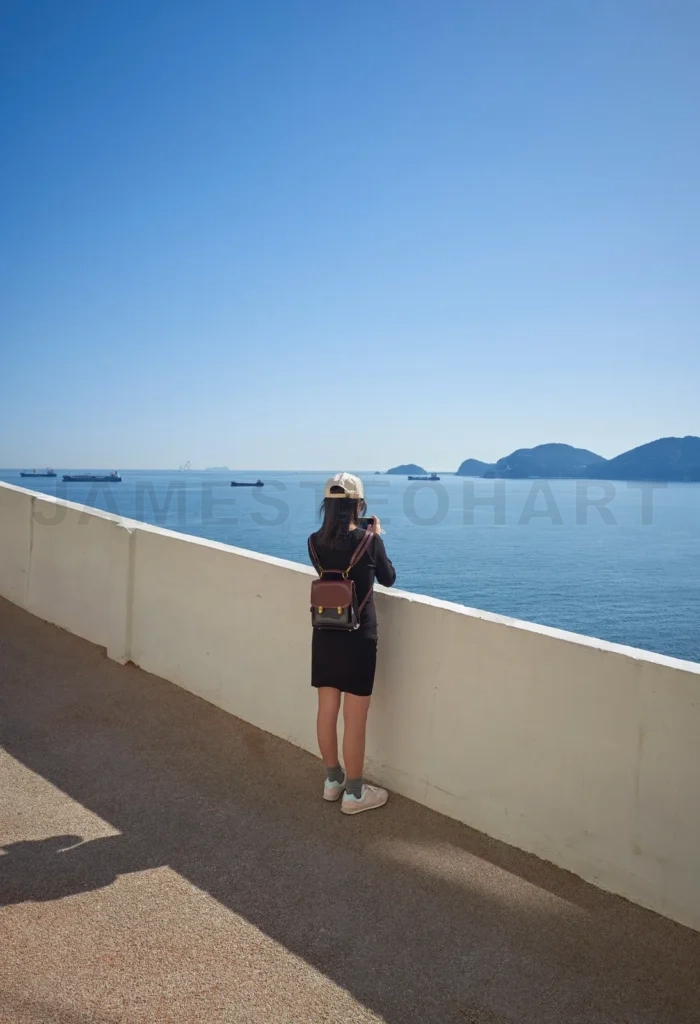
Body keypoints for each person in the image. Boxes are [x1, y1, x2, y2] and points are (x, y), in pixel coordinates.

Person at [308, 472, 396, 814]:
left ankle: (333, 781)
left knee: (326, 711)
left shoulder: (313, 541)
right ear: (358, 505)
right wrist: (375, 536)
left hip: (325, 631)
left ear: (327, 506)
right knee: (354, 719)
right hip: (359, 637)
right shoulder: (368, 541)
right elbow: (388, 578)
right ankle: (356, 795)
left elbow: (330, 566)